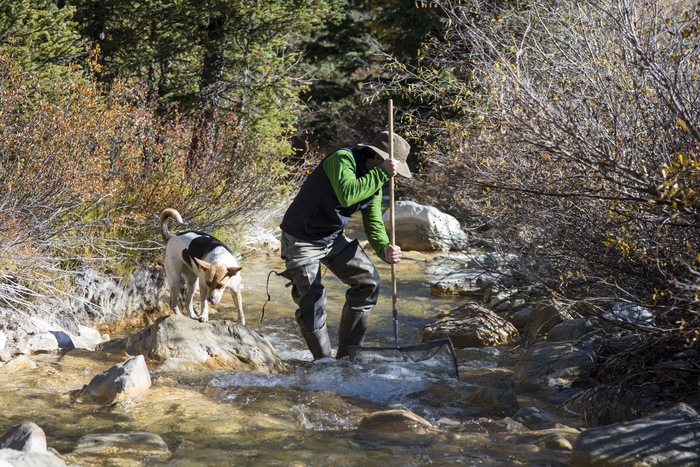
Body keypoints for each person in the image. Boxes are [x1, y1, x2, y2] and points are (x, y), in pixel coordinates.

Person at [279, 131, 412, 360]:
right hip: (301, 237)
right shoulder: (342, 159)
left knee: (367, 282)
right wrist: (381, 174)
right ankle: (324, 362)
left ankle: (346, 359)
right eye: (395, 169)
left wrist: (384, 249)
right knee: (312, 299)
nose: (394, 175)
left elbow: (373, 223)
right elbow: (348, 195)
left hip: (332, 237)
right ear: (381, 159)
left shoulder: (376, 181)